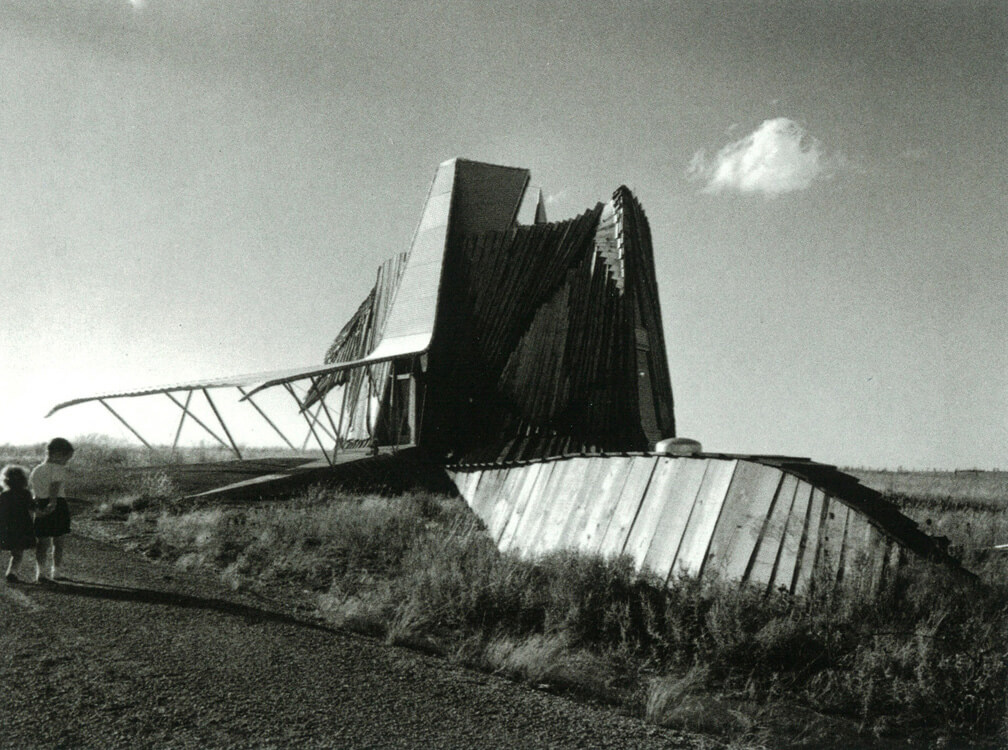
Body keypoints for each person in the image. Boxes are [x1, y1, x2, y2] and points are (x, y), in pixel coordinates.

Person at [30, 437, 74, 582]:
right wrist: (53, 502)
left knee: (42, 542)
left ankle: (40, 573)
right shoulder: (58, 468)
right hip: (57, 503)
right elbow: (54, 486)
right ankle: (56, 571)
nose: (67, 461)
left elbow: (35, 491)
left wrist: (36, 507)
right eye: (66, 458)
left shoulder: (36, 470)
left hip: (40, 502)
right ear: (57, 454)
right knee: (58, 541)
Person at [0, 465, 36, 583]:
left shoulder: (4, 495)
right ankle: (12, 572)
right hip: (21, 525)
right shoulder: (26, 494)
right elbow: (32, 507)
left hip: (5, 525)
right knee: (17, 552)